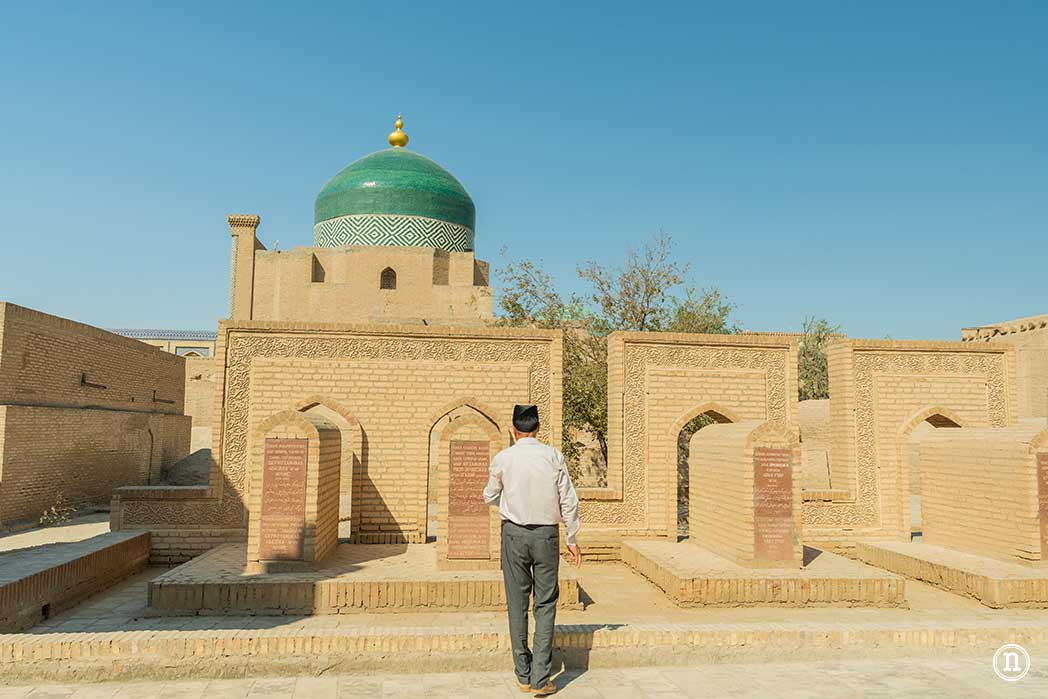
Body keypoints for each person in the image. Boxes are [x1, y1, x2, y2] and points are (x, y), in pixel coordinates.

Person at [483, 404, 581, 696]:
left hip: (513, 535)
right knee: (545, 603)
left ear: (514, 431)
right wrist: (572, 539)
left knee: (517, 602)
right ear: (537, 429)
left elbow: (488, 495)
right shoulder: (553, 456)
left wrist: (508, 505)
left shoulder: (504, 458)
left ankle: (523, 675)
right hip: (546, 536)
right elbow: (569, 501)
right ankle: (541, 678)